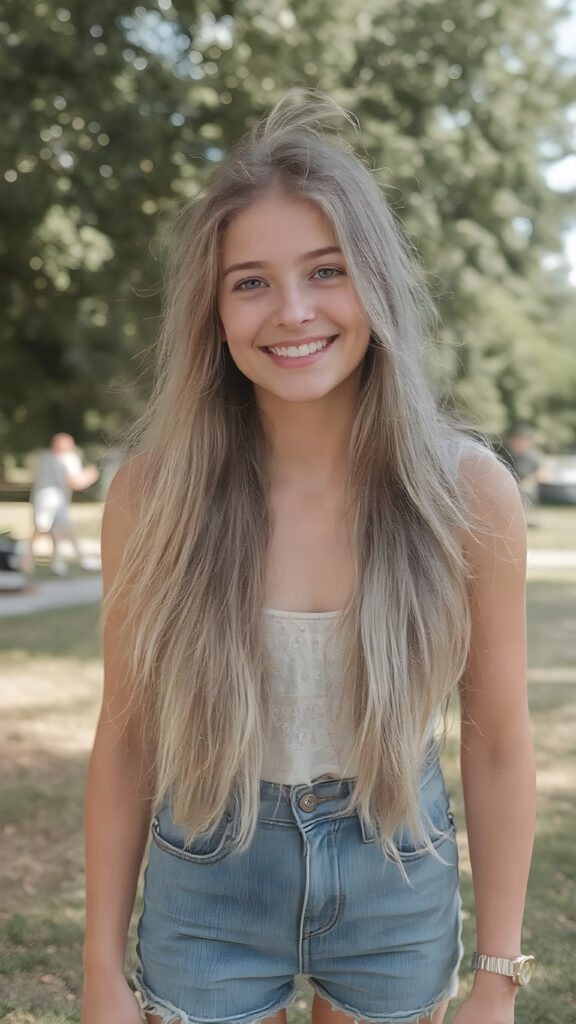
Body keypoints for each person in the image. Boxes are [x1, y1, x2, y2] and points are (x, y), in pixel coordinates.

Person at [82, 91, 536, 1024]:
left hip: (396, 868)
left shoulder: (468, 495)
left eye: (325, 271)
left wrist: (497, 975)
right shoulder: (151, 497)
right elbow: (126, 737)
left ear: (374, 282)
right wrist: (99, 967)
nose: (292, 312)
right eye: (250, 281)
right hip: (208, 868)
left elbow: (497, 740)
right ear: (212, 312)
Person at [25, 432, 99, 574]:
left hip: (43, 498)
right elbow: (76, 482)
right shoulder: (69, 459)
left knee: (55, 530)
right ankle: (31, 561)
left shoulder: (43, 456)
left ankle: (56, 562)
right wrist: (91, 475)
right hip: (54, 500)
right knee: (45, 529)